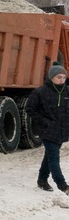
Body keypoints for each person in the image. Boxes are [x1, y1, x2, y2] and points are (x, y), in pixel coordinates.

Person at [26, 64, 69, 193]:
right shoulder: (40, 92)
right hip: (47, 130)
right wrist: (44, 122)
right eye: (58, 77)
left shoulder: (67, 91)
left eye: (64, 77)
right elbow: (30, 109)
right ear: (51, 77)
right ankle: (63, 186)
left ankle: (42, 180)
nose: (61, 80)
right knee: (54, 157)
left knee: (49, 156)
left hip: (61, 130)